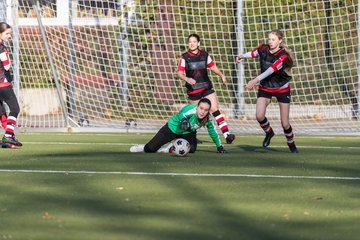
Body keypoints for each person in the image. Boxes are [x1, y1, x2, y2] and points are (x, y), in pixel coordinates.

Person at [236, 29, 298, 153]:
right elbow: (253, 53)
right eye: (269, 39)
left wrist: (254, 80)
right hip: (266, 86)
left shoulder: (283, 56)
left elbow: (271, 70)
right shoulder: (263, 48)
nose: (270, 42)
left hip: (281, 88)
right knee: (259, 115)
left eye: (273, 39)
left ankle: (291, 144)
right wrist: (242, 56)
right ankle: (269, 133)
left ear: (280, 41)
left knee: (285, 123)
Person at [177, 33, 235, 145]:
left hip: (206, 87)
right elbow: (179, 73)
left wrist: (221, 75)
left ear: (198, 43)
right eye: (190, 42)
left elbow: (212, 66)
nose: (192, 44)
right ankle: (187, 136)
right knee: (195, 115)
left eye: (194, 42)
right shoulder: (184, 57)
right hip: (193, 90)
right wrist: (187, 78)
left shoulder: (204, 55)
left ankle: (227, 135)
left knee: (214, 109)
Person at [130, 98, 227, 154]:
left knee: (191, 149)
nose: (203, 111)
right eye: (201, 108)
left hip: (187, 132)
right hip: (172, 128)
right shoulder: (191, 110)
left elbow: (213, 132)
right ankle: (143, 147)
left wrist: (219, 146)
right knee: (150, 149)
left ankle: (170, 147)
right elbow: (181, 114)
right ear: (197, 107)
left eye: (206, 110)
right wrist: (184, 120)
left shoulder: (208, 119)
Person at [0, 22, 22, 147]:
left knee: (1, 112)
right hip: (3, 84)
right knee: (15, 109)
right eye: (7, 33)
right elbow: (7, 65)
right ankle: (8, 135)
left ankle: (9, 139)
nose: (9, 36)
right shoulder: (2, 48)